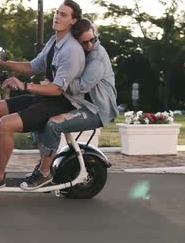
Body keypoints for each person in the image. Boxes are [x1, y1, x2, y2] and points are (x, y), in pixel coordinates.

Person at [0, 0, 86, 195]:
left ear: (73, 21)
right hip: (44, 98)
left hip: (60, 104)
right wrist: (2, 63)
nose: (57, 16)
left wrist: (24, 85)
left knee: (5, 125)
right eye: (57, 12)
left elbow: (58, 90)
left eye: (63, 14)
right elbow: (32, 67)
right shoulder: (54, 42)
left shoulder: (71, 50)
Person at [20, 18, 119, 190]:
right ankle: (45, 164)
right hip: (80, 105)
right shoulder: (78, 52)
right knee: (42, 115)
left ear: (96, 35)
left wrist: (53, 83)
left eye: (92, 40)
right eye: (84, 42)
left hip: (97, 110)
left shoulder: (97, 59)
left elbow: (80, 87)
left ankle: (44, 174)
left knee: (53, 124)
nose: (89, 45)